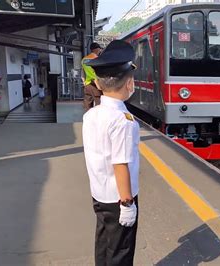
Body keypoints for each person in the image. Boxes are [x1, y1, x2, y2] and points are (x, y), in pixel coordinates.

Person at [83, 40, 140, 266]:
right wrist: (127, 205)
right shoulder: (123, 121)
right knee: (121, 252)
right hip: (119, 198)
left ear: (97, 82)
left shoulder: (92, 115)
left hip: (99, 195)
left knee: (104, 243)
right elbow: (120, 164)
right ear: (129, 84)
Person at [82, 42, 103, 111]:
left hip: (87, 85)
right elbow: (97, 73)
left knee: (87, 105)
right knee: (99, 105)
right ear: (97, 49)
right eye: (100, 49)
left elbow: (82, 74)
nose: (100, 51)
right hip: (96, 85)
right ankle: (98, 120)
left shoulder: (84, 60)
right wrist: (99, 86)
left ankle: (88, 120)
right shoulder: (97, 59)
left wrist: (84, 82)